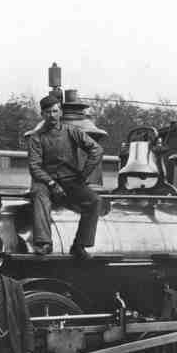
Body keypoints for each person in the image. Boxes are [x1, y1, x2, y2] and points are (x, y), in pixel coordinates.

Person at [27, 94, 103, 260]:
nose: (52, 115)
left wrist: (84, 174)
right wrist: (52, 183)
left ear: (60, 112)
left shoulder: (72, 132)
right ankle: (44, 242)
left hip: (70, 180)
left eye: (55, 111)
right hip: (45, 181)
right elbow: (34, 166)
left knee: (95, 200)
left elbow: (96, 150)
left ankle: (80, 245)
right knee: (39, 194)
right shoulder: (36, 137)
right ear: (42, 115)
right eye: (47, 112)